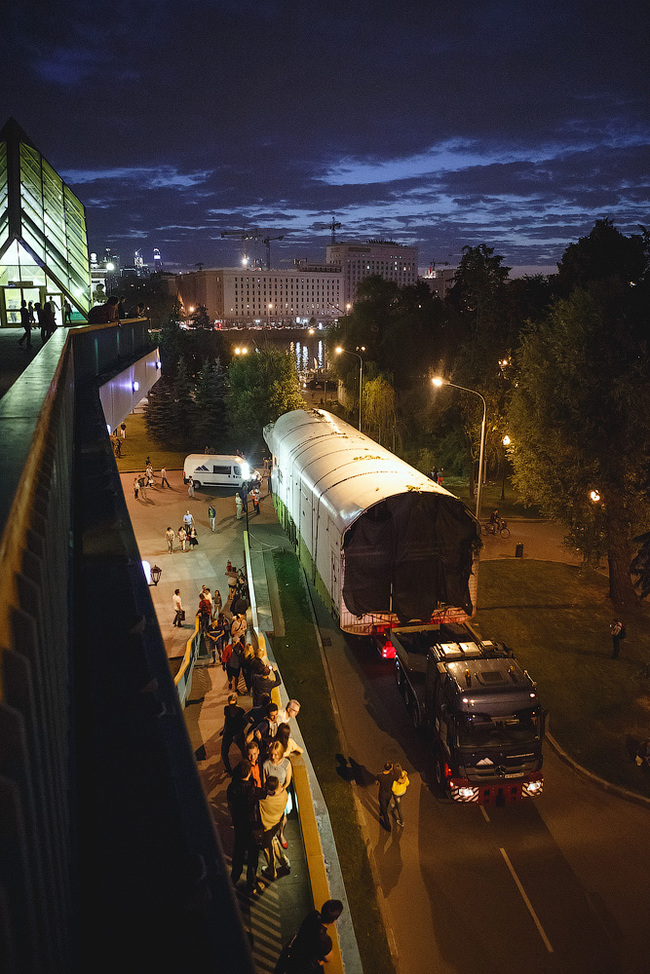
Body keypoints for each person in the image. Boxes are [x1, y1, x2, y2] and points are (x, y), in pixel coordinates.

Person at [227, 760, 264, 895]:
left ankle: (233, 879)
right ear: (248, 773)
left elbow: (230, 805)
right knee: (253, 856)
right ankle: (251, 884)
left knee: (238, 852)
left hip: (240, 825)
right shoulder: (251, 789)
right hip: (252, 827)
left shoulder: (232, 787)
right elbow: (266, 793)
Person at [276, 900, 344, 973]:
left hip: (294, 954)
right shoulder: (325, 940)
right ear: (333, 921)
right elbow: (328, 958)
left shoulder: (313, 915)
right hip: (305, 967)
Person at [259, 775, 291, 880]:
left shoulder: (263, 802)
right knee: (274, 842)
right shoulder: (284, 796)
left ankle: (272, 871)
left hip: (267, 829)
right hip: (276, 825)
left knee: (268, 850)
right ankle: (284, 862)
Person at [221, 692, 246, 775]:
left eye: (233, 704)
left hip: (238, 733)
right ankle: (228, 769)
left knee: (244, 751)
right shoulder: (226, 709)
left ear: (236, 702)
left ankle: (247, 768)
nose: (231, 707)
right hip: (228, 733)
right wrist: (224, 729)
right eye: (230, 704)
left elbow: (245, 723)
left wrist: (239, 734)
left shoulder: (241, 711)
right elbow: (226, 720)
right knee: (224, 752)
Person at [377, 762, 397, 831]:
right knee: (386, 804)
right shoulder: (392, 776)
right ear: (390, 768)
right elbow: (399, 779)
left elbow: (377, 782)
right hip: (389, 794)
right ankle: (382, 811)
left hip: (382, 794)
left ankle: (388, 826)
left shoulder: (380, 775)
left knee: (385, 811)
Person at [390, 763, 409, 827]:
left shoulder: (395, 778)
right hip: (403, 792)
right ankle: (393, 809)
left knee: (399, 808)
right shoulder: (404, 774)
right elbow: (407, 783)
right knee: (398, 803)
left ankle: (402, 822)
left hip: (397, 794)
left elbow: (393, 789)